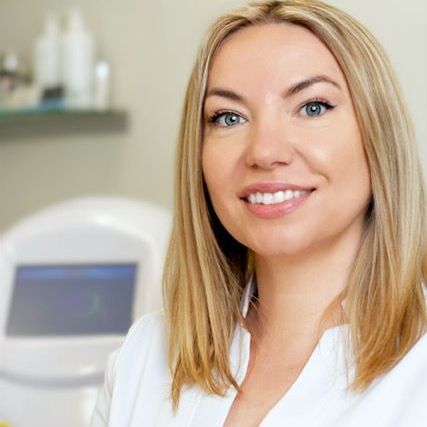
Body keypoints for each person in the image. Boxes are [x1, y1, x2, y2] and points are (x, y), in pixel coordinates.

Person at [91, 0, 427, 425]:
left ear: (378, 135)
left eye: (313, 107)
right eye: (229, 117)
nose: (265, 152)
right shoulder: (143, 357)